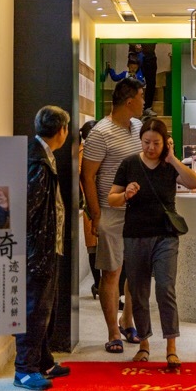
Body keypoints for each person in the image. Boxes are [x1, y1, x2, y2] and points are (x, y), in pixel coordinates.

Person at [107, 117, 196, 366]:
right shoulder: (129, 164)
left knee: (165, 289)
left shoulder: (169, 165)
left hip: (165, 236)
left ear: (165, 143)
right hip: (135, 235)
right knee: (138, 292)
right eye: (146, 142)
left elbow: (194, 182)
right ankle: (144, 344)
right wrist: (125, 195)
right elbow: (112, 198)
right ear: (141, 141)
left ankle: (171, 347)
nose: (151, 147)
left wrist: (173, 159)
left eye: (156, 143)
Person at [81, 77, 144, 353]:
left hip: (138, 212)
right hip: (111, 211)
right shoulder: (101, 133)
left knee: (136, 271)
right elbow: (87, 176)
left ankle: (127, 320)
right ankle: (113, 332)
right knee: (111, 272)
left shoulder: (138, 127)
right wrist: (96, 215)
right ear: (129, 101)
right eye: (141, 97)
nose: (144, 102)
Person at [14, 105, 70, 391]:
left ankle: (43, 361)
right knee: (34, 307)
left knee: (46, 306)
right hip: (38, 248)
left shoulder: (42, 155)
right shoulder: (37, 161)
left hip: (47, 245)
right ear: (62, 131)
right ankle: (25, 369)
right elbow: (28, 208)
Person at [79, 120, 100, 299]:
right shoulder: (81, 154)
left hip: (103, 204)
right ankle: (98, 284)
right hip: (89, 205)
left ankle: (101, 286)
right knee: (93, 248)